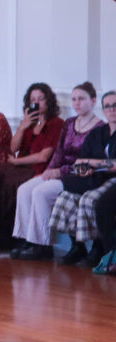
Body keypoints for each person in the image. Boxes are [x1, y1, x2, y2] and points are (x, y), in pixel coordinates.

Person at [11, 83, 103, 260]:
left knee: (41, 192)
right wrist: (49, 170)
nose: (77, 103)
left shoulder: (98, 127)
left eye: (81, 99)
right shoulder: (69, 123)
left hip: (76, 174)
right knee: (24, 189)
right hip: (58, 170)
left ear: (92, 101)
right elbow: (59, 151)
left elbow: (86, 160)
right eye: (74, 99)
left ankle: (42, 244)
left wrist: (58, 172)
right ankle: (26, 240)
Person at [0, 83, 62, 253]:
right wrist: (22, 127)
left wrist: (18, 162)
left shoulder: (56, 123)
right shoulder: (29, 123)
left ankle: (12, 238)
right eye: (33, 99)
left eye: (41, 99)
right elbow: (12, 149)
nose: (37, 103)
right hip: (19, 166)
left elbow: (44, 156)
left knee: (7, 181)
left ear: (48, 101)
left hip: (38, 169)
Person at [49, 90, 116, 268]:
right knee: (65, 197)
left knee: (89, 200)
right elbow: (79, 162)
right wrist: (83, 168)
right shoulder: (98, 133)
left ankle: (98, 247)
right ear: (103, 109)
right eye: (108, 106)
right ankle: (77, 246)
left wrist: (92, 162)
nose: (111, 109)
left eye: (115, 105)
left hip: (112, 180)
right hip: (93, 178)